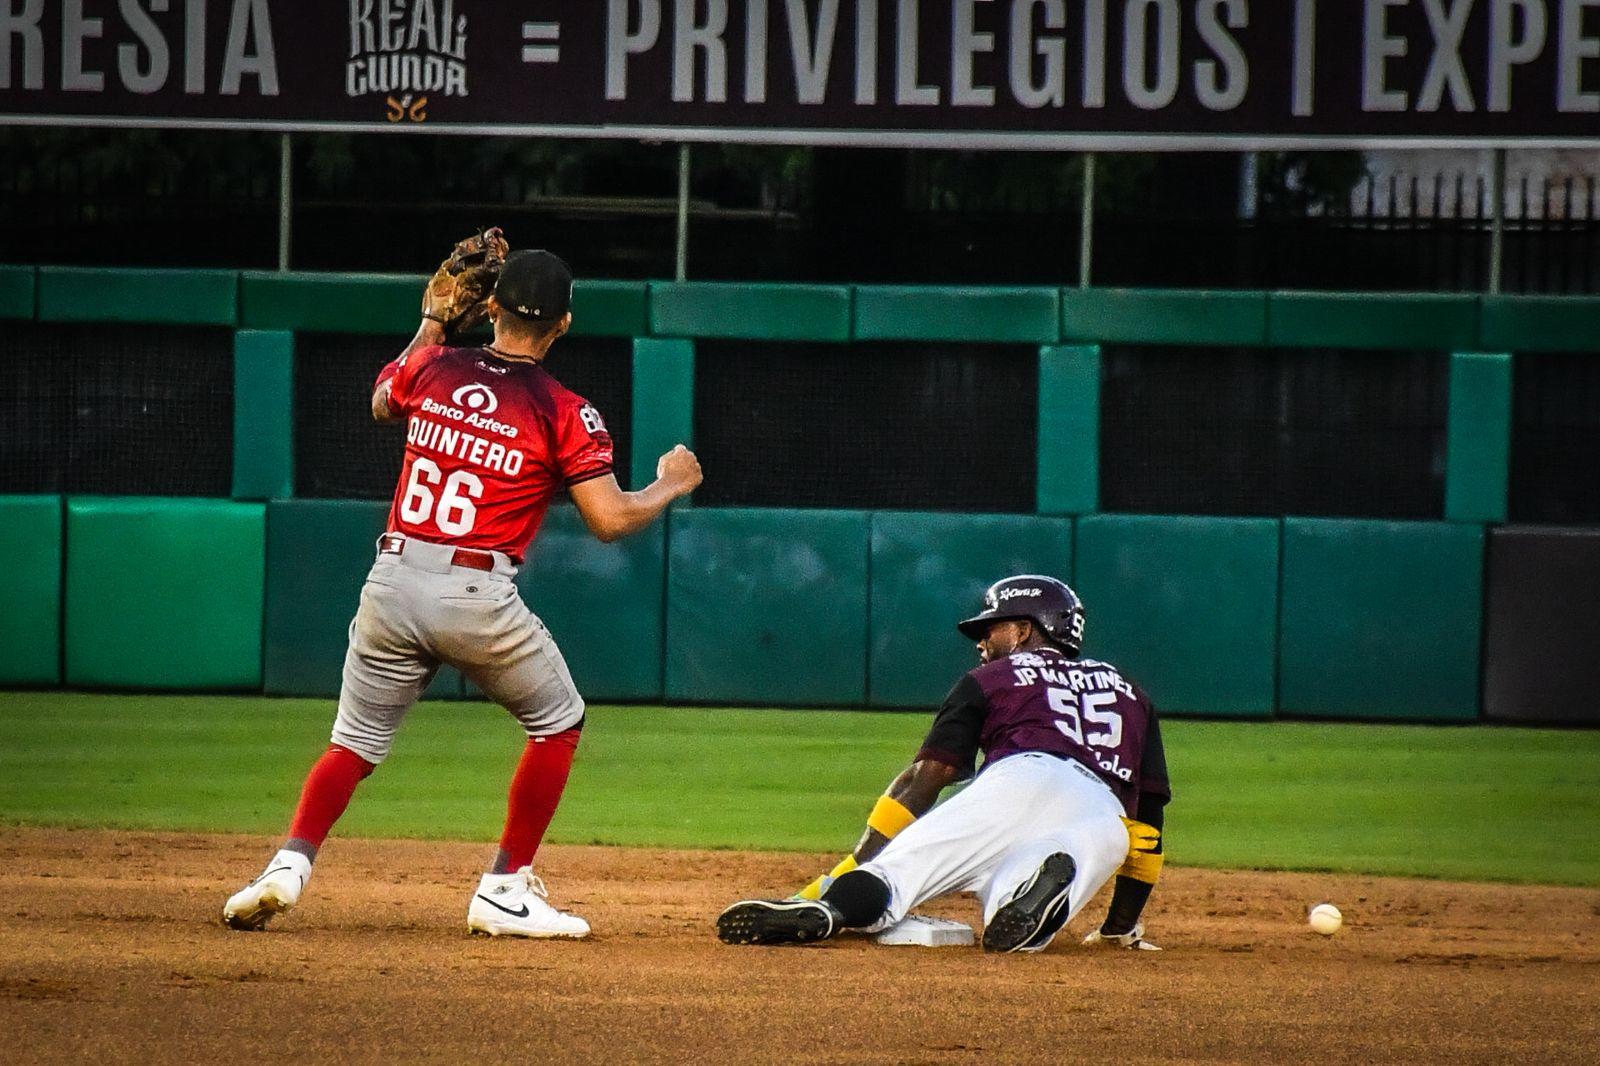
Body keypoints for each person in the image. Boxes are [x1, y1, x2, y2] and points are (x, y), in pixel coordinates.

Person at [224, 242, 701, 938]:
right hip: (475, 593)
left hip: (390, 581)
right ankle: (505, 887)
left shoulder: (437, 366)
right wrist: (669, 484)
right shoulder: (562, 408)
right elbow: (607, 519)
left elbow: (384, 401)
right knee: (558, 724)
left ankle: (287, 865)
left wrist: (433, 322)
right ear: (563, 325)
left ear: (492, 307)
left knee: (352, 745)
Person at [717, 575, 1170, 953]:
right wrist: (1118, 928)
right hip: (1102, 815)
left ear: (1023, 631)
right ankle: (1044, 877)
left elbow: (926, 779)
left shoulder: (992, 678)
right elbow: (1148, 825)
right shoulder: (1130, 692)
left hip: (1019, 780)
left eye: (990, 629)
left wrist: (851, 868)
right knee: (1010, 913)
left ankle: (831, 910)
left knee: (896, 876)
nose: (981, 642)